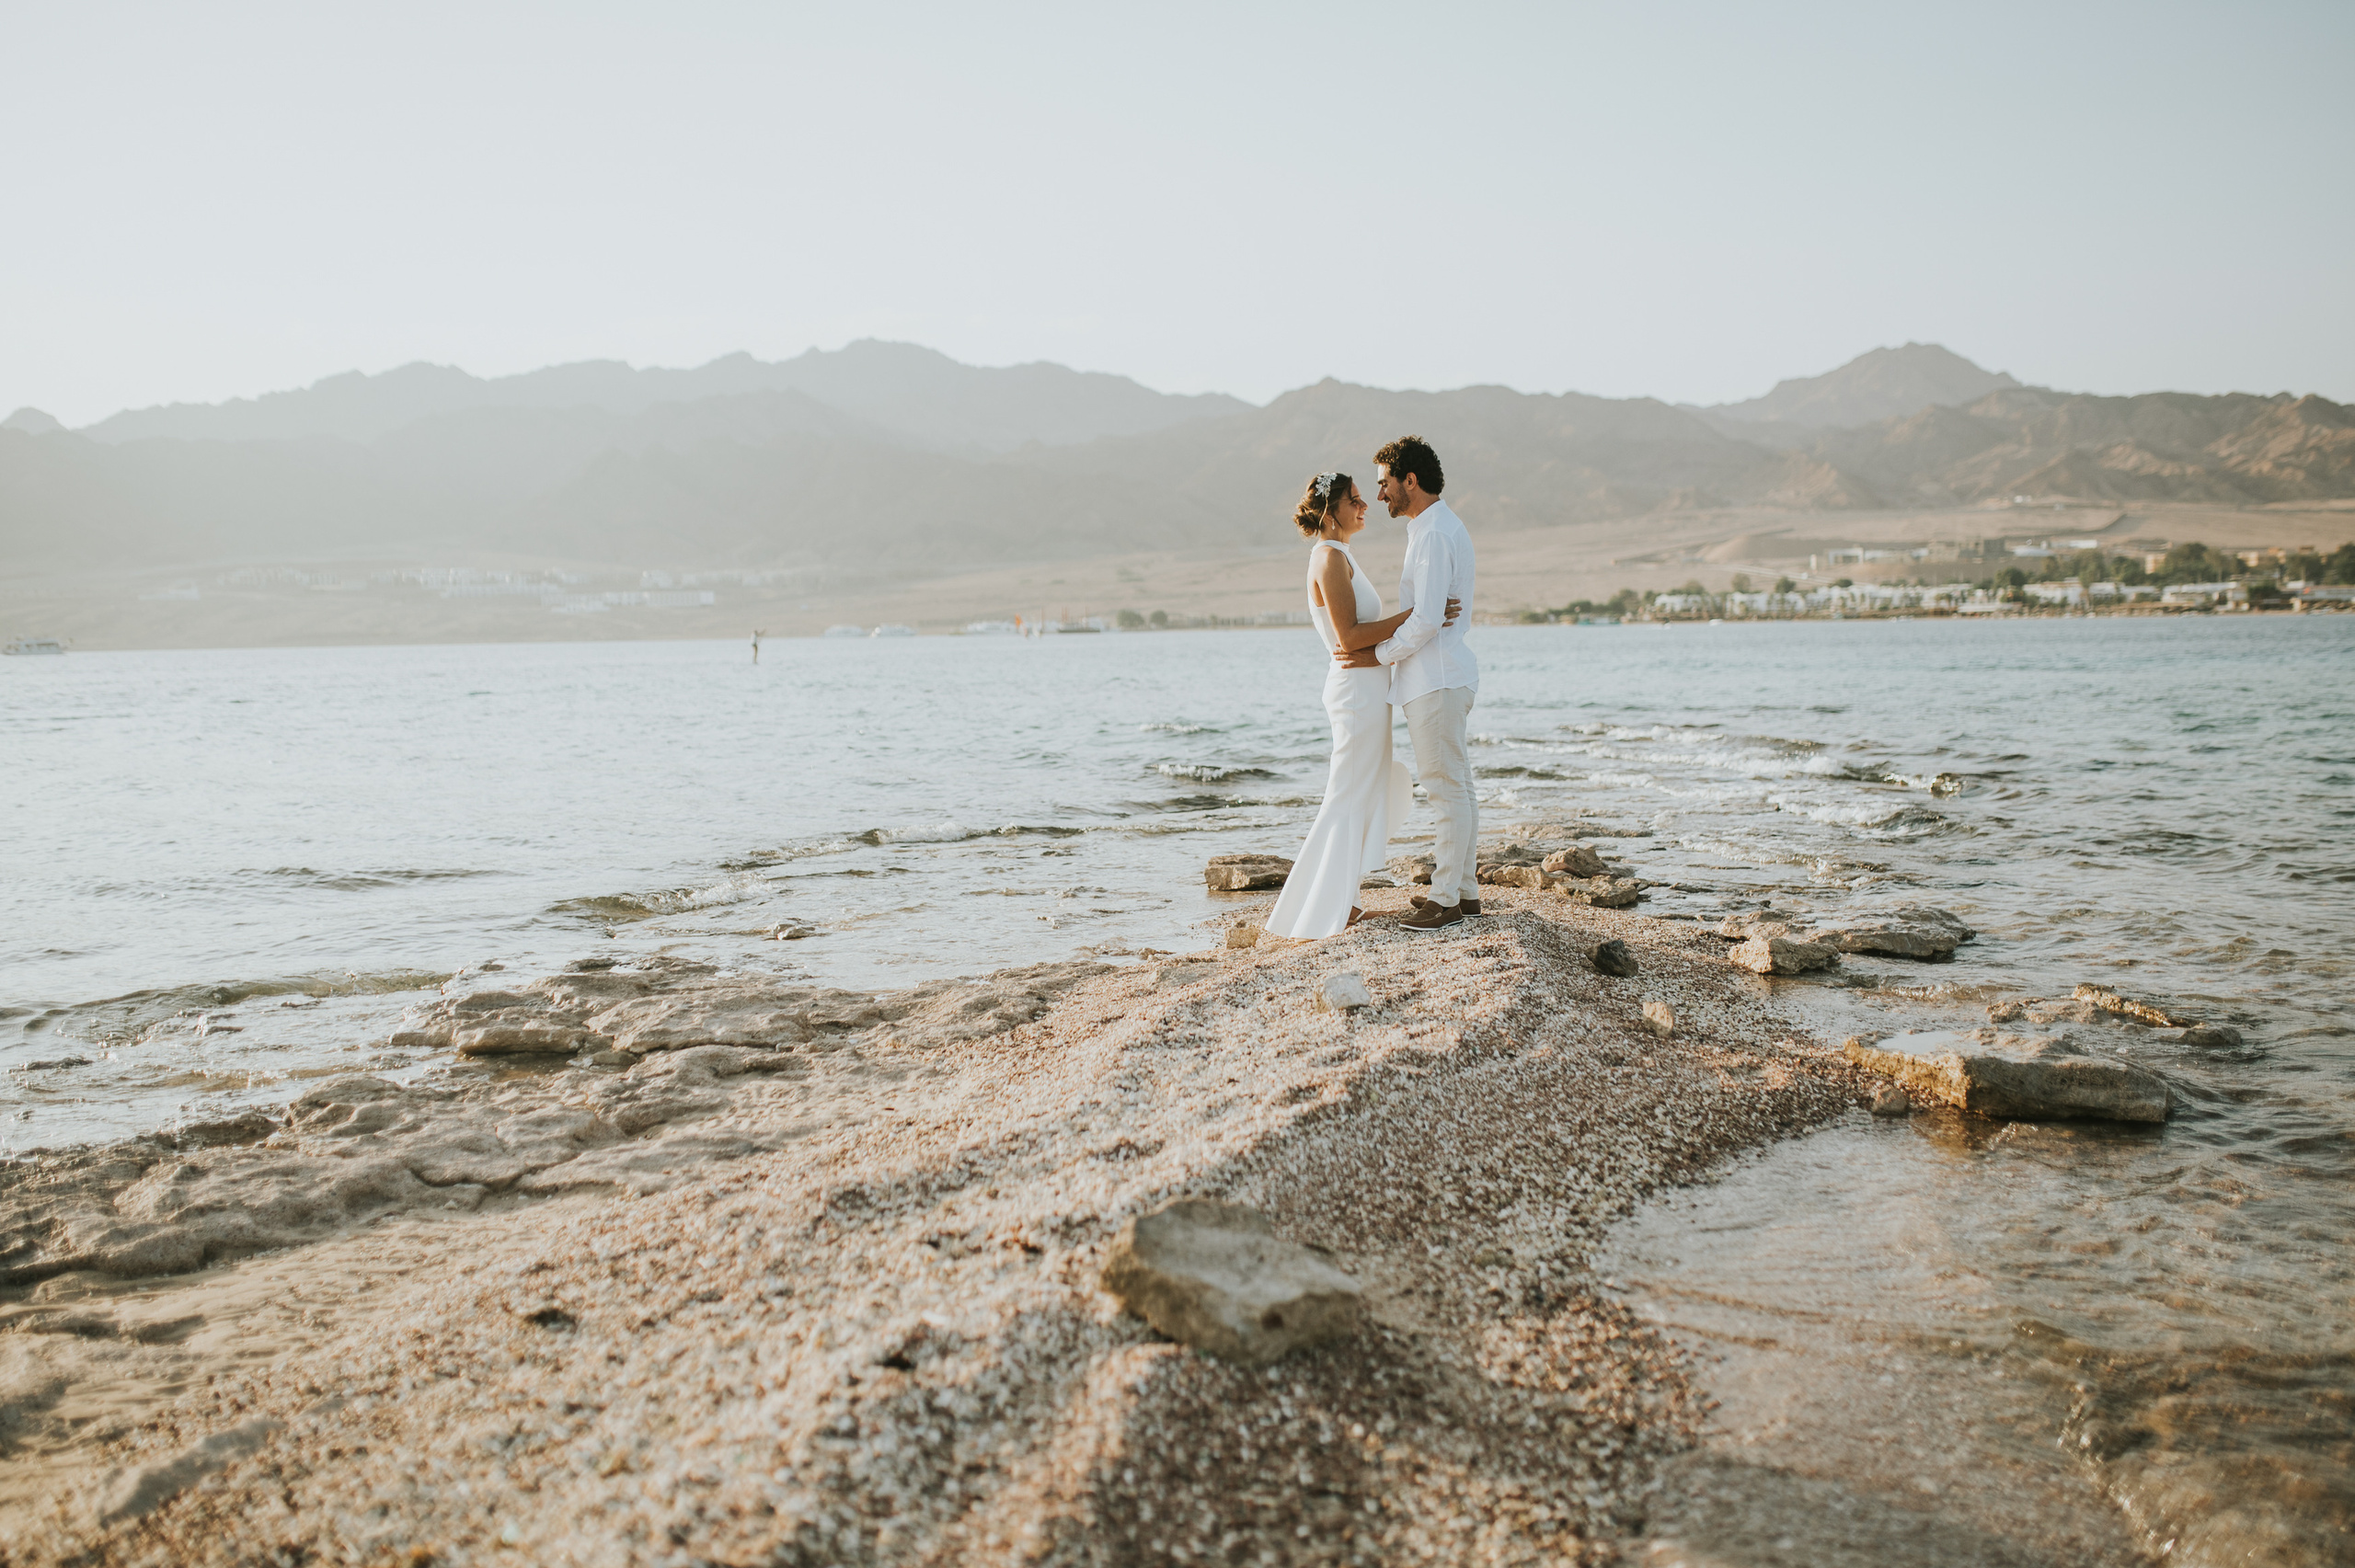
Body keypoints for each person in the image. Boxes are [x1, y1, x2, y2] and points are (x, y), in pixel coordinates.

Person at [1266, 471, 1456, 940]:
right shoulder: (1329, 558)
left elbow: (1357, 640)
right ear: (1330, 511)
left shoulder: (1342, 554)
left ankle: (1344, 902)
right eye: (1354, 500)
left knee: (1366, 789)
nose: (1365, 505)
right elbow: (1349, 637)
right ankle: (1315, 912)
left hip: (1369, 689)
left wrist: (1399, 633)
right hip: (1354, 694)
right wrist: (1418, 614)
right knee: (1347, 794)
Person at [1336, 435, 1478, 933]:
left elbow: (1425, 620)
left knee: (1445, 790)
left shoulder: (1434, 533)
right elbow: (1427, 617)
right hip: (1437, 676)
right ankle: (1463, 891)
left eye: (1384, 484)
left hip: (1434, 679)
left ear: (1409, 481)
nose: (1379, 496)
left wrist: (1375, 655)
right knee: (1457, 785)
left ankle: (1446, 900)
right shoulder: (1431, 529)